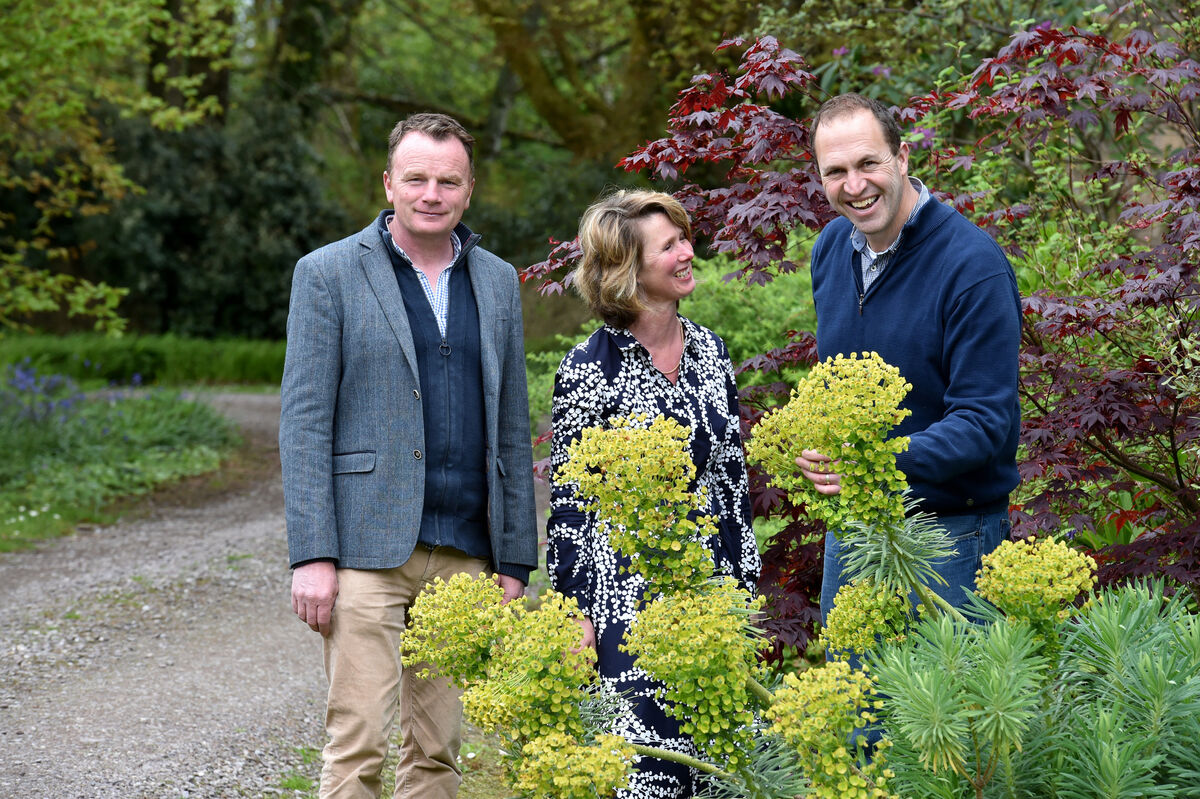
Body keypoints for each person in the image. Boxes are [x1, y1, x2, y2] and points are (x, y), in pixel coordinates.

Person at [279, 112, 538, 799]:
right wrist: (312, 552)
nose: (432, 192)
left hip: (465, 551)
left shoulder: (497, 280)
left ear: (469, 189)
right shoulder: (327, 273)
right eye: (417, 177)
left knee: (438, 751)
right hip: (366, 546)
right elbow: (304, 422)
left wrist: (514, 557)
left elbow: (511, 421)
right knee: (358, 738)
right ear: (389, 182)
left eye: (447, 180)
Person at [546, 189, 761, 798]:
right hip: (628, 607)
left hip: (715, 598)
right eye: (669, 246)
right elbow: (571, 507)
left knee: (725, 770)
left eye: (684, 238)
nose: (687, 252)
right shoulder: (589, 369)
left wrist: (744, 591)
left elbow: (731, 483)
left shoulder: (712, 352)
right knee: (650, 777)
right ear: (626, 270)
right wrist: (573, 617)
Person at [795, 93, 1022, 621]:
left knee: (954, 703)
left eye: (868, 163)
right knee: (856, 703)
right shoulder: (832, 247)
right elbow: (839, 385)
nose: (854, 186)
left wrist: (871, 461)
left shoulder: (972, 266)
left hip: (952, 536)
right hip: (854, 530)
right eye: (836, 171)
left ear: (902, 158)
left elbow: (984, 423)